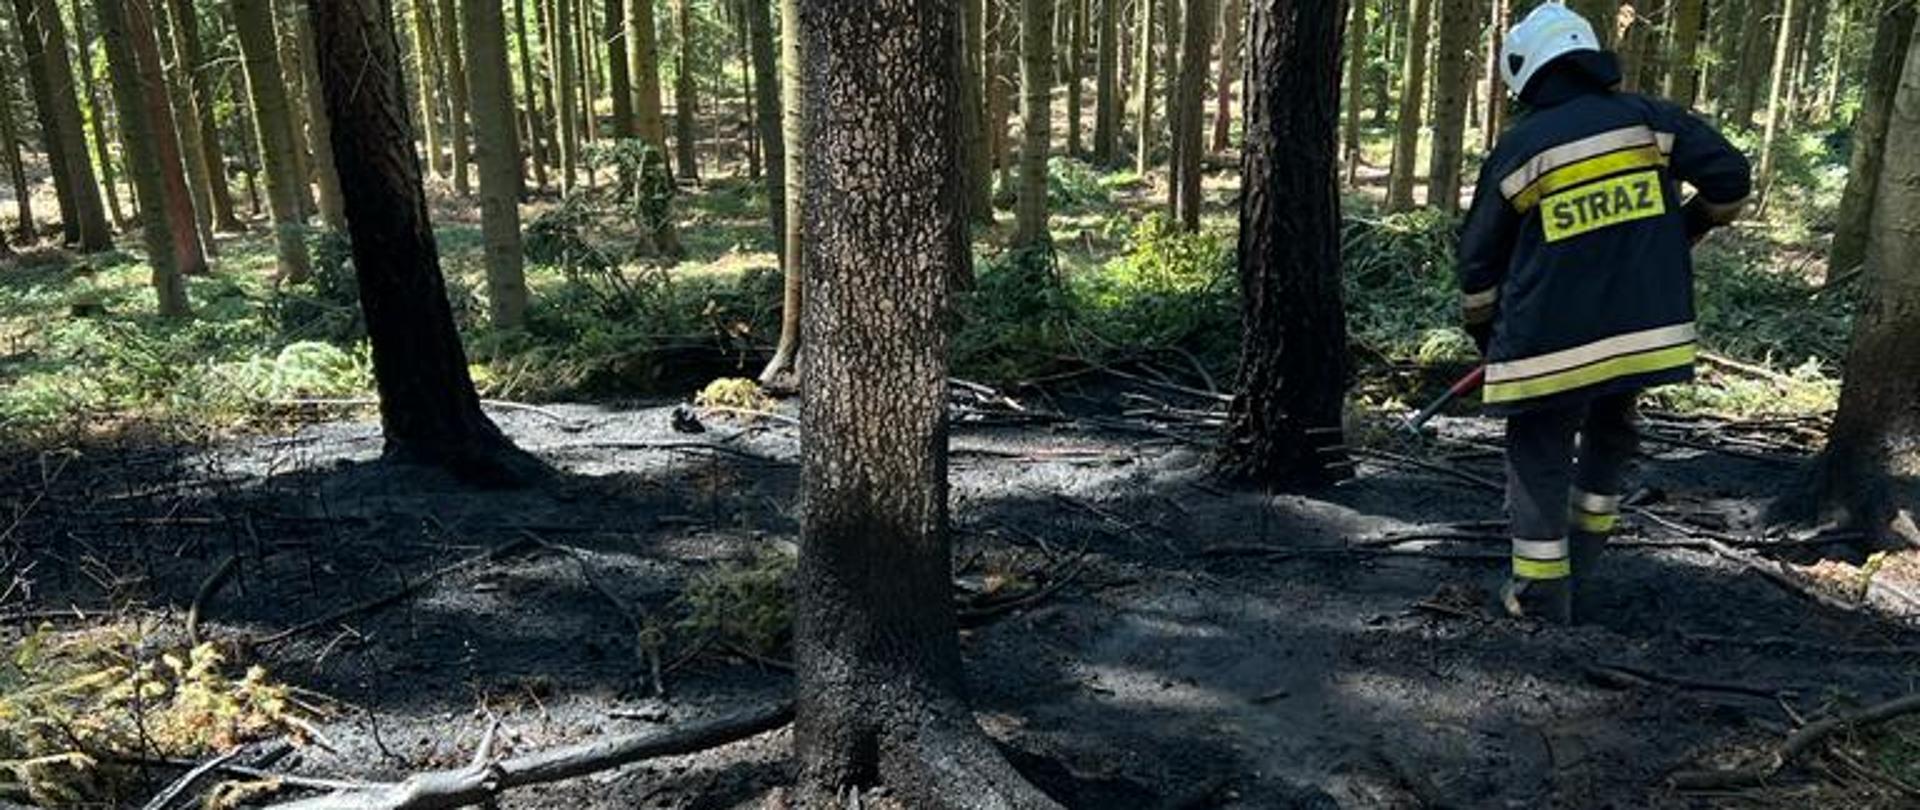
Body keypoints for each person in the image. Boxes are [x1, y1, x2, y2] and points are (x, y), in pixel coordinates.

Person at [1457, 2, 1753, 623]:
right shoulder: (1651, 122)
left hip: (1548, 342)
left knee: (1536, 453)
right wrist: (1684, 228)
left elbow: (1479, 267)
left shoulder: (1521, 149)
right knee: (1609, 435)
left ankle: (1541, 597)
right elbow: (1730, 178)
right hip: (1641, 337)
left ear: (1528, 71)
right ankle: (1584, 566)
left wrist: (1489, 341)